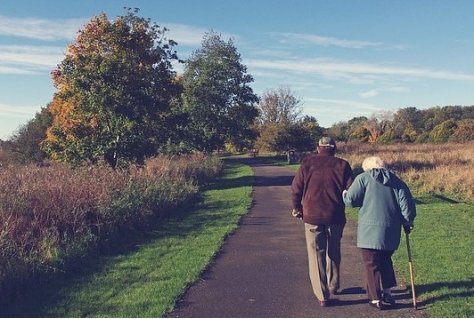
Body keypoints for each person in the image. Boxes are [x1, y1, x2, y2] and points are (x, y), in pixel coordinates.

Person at [343, 156, 416, 310]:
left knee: (371, 264)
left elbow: (350, 200)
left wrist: (344, 194)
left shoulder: (363, 178)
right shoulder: (397, 181)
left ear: (367, 168)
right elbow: (407, 207)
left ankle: (375, 298)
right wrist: (408, 222)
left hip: (369, 231)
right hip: (391, 230)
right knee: (385, 260)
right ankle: (388, 292)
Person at [291, 137, 354, 307]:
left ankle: (322, 294)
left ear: (318, 148)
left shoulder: (307, 163)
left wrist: (297, 207)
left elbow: (296, 187)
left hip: (312, 214)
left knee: (315, 254)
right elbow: (351, 190)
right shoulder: (343, 165)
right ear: (334, 149)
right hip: (336, 215)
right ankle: (333, 284)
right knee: (334, 249)